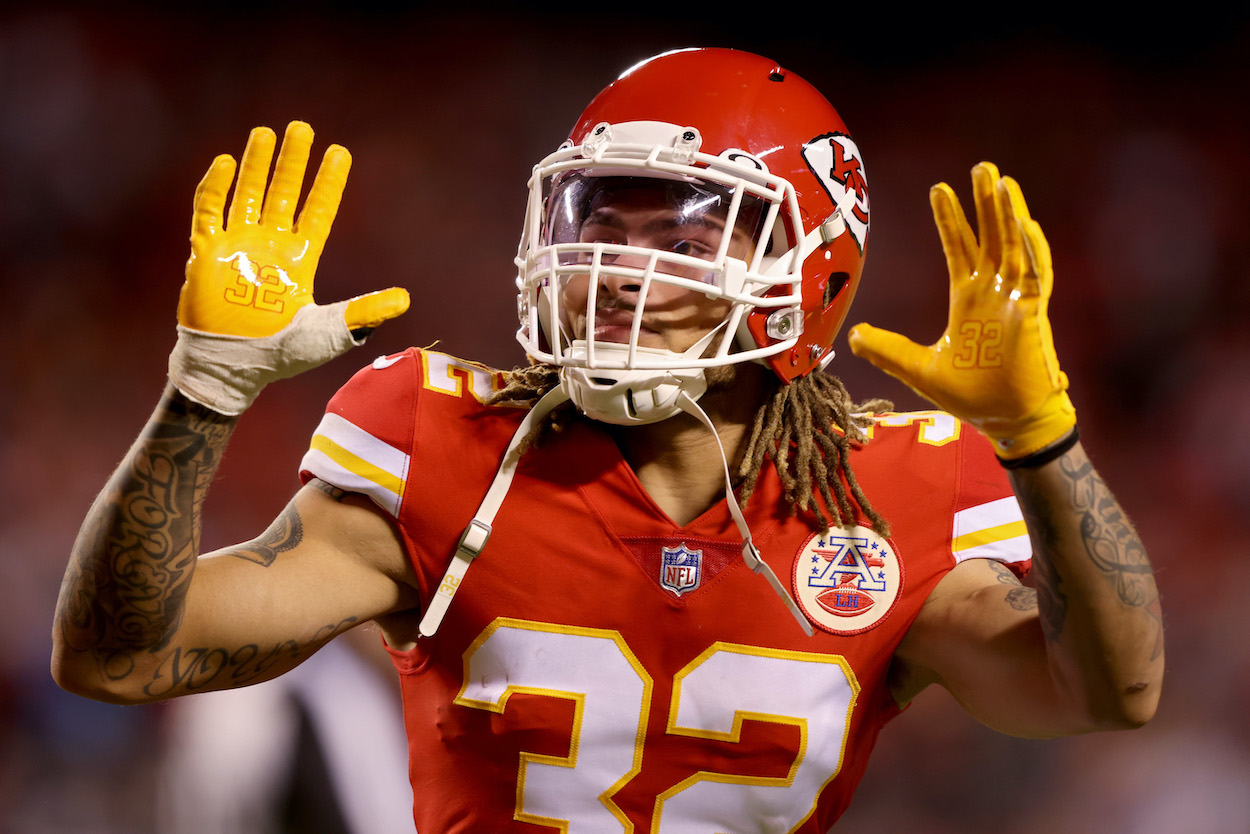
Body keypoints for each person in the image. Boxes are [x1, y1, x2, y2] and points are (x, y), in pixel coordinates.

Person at [52, 47, 1163, 831]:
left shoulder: (891, 492)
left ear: (804, 268)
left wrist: (1040, 441)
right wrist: (199, 395)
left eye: (681, 230)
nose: (616, 268)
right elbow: (117, 655)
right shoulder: (445, 446)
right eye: (596, 220)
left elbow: (1109, 693)